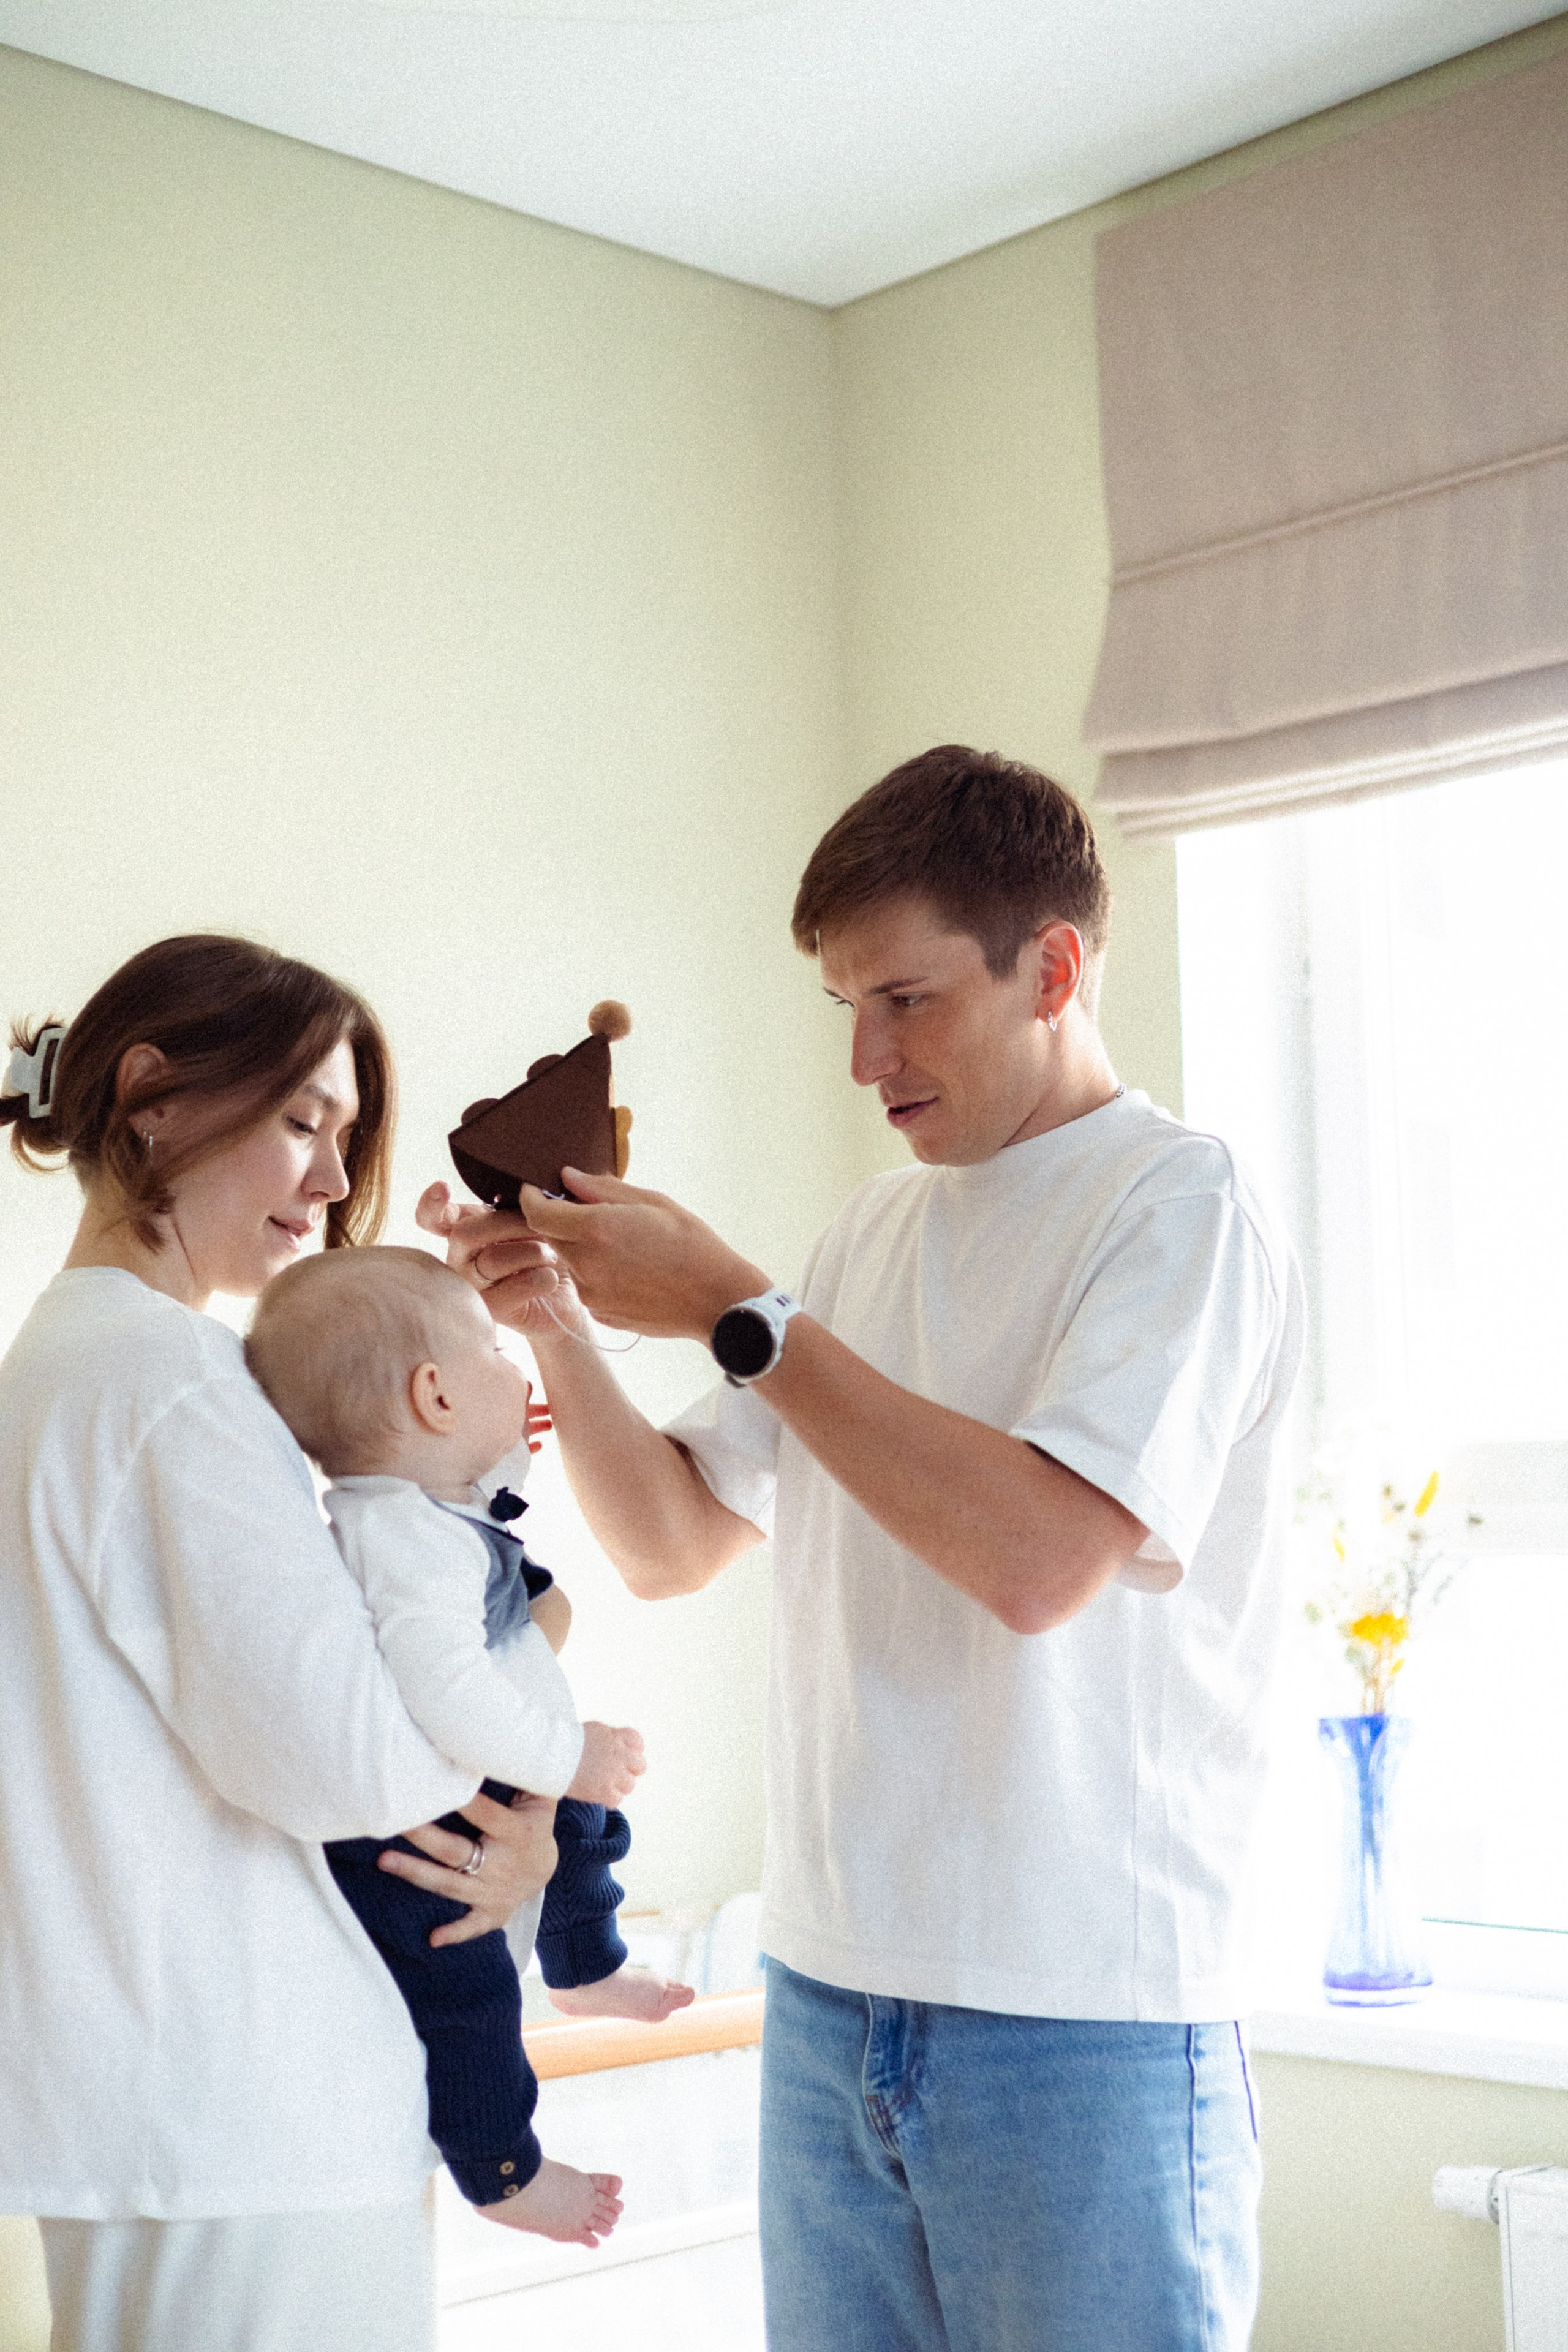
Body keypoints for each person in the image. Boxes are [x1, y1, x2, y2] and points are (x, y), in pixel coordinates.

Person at [421, 746, 1306, 2352]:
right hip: (831, 1993)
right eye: (845, 1004)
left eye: (903, 999)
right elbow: (679, 1540)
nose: (863, 1058)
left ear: (1054, 967)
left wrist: (742, 1313)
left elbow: (1041, 1561)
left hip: (1086, 2024)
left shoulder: (1182, 1211)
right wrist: (560, 1326)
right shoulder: (873, 1230)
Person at [0, 935, 559, 2352]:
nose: (329, 1180)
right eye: (303, 1120)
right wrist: (526, 1690)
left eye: (346, 1135)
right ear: (151, 1099)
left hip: (151, 2105)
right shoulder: (172, 1381)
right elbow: (355, 1767)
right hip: (247, 2121)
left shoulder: (56, 1368)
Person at [245, 1245, 694, 2247]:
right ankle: (502, 2169)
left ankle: (584, 1967)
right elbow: (444, 1688)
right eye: (495, 1351)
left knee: (584, 1819)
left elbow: (528, 1598)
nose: (514, 1369)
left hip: (488, 1775)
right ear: (436, 1395)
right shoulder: (409, 1539)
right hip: (424, 1838)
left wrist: (506, 1457)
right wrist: (561, 1755)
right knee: (471, 1999)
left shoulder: (429, 1514)